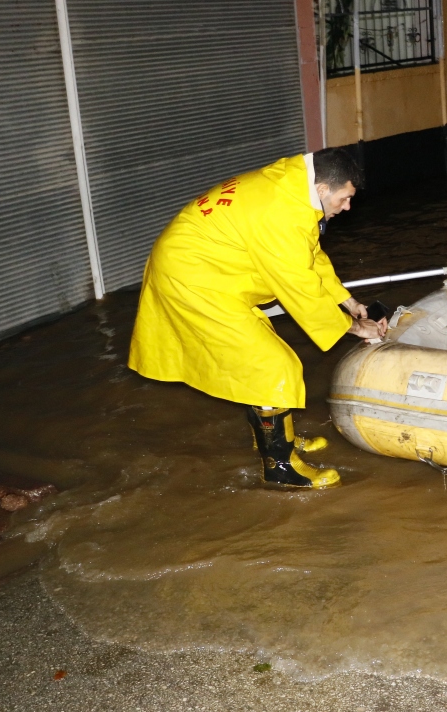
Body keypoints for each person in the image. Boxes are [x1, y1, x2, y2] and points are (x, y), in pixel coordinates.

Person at [128, 147, 386, 489]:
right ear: (323, 188)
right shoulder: (282, 211)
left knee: (259, 358)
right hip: (193, 280)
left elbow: (309, 255)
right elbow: (299, 287)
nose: (348, 206)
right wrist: (354, 327)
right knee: (272, 365)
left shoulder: (292, 185)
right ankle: (279, 466)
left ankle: (277, 440)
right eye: (345, 198)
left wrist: (347, 300)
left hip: (208, 270)